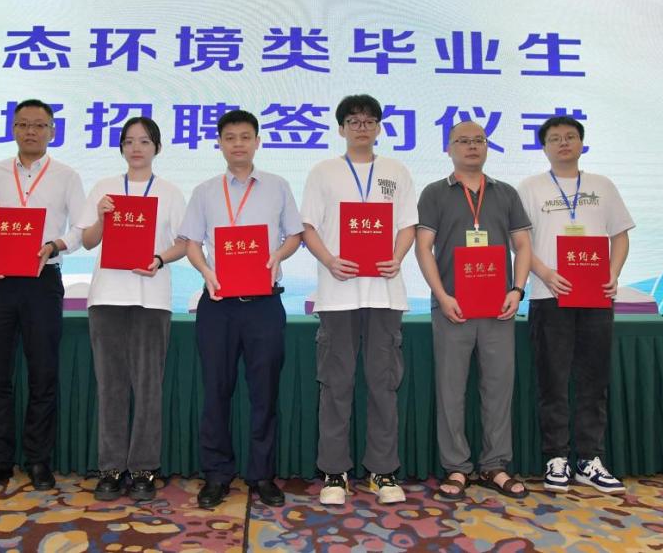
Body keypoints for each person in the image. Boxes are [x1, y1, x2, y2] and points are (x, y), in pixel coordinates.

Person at [178, 109, 303, 509]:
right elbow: (192, 243)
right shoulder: (205, 191)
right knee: (216, 390)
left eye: (245, 136)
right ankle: (216, 475)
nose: (238, 144)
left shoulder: (278, 186)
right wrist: (206, 271)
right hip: (218, 304)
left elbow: (295, 235)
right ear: (219, 143)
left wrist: (276, 255)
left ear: (257, 141)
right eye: (230, 137)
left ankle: (262, 475)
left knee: (265, 392)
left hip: (264, 304)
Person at [0, 99, 85, 492]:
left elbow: (82, 228)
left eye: (39, 125)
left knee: (43, 374)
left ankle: (38, 460)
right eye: (23, 124)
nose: (31, 131)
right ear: (13, 129)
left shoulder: (66, 176)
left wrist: (55, 245)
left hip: (43, 281)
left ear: (52, 131)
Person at [299, 94, 418, 506]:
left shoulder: (396, 171)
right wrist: (330, 260)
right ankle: (334, 471)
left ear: (379, 127)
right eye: (353, 121)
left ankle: (383, 471)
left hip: (385, 293)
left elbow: (408, 225)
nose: (361, 127)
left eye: (369, 120)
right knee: (336, 385)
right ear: (341, 128)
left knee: (383, 384)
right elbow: (309, 227)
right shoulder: (324, 172)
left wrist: (397, 257)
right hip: (337, 295)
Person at [415, 120, 532, 500]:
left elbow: (523, 245)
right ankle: (456, 467)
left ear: (487, 146)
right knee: (451, 391)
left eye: (479, 140)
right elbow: (423, 248)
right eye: (463, 141)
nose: (472, 146)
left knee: (498, 389)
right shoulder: (435, 193)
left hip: (498, 308)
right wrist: (441, 295)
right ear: (449, 148)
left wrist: (517, 289)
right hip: (454, 308)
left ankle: (495, 465)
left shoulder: (506, 193)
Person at [517, 116, 634, 494]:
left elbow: (620, 237)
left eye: (570, 137)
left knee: (593, 381)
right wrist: (546, 274)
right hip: (548, 296)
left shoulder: (602, 185)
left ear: (582, 143)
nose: (563, 143)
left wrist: (612, 274)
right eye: (555, 138)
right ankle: (556, 457)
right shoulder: (530, 188)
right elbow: (520, 244)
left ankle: (589, 460)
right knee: (552, 381)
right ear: (544, 147)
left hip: (596, 297)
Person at [78, 117, 187, 502]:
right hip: (107, 298)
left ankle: (143, 467)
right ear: (121, 148)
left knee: (147, 385)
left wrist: (159, 258)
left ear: (157, 147)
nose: (136, 148)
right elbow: (88, 241)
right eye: (129, 141)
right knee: (110, 385)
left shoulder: (170, 192)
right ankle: (110, 467)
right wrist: (101, 217)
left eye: (144, 141)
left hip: (151, 299)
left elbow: (183, 244)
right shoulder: (104, 188)